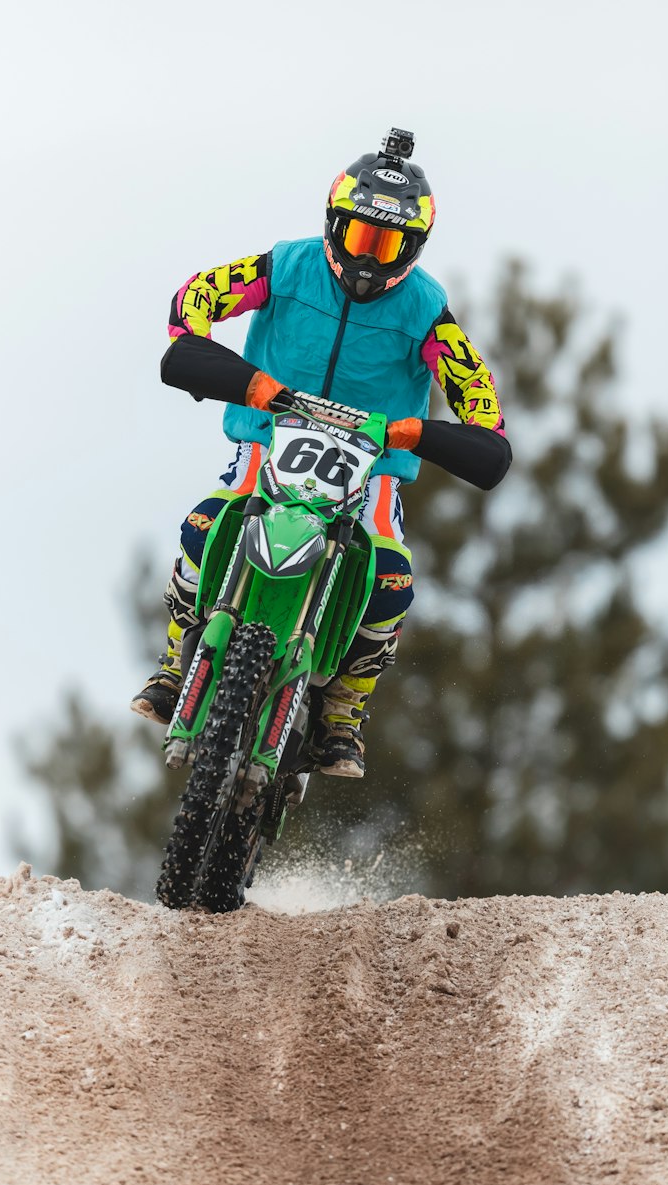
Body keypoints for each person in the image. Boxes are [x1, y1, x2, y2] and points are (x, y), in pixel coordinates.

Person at [132, 128, 512, 777]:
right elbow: (197, 296)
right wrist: (214, 358)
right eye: (361, 237)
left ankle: (341, 712)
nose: (370, 258)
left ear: (413, 247)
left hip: (374, 466)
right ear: (336, 224)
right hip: (271, 436)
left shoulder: (427, 311)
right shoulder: (285, 266)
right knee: (204, 524)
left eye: (387, 243)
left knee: (391, 577)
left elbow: (479, 399)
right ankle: (176, 662)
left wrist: (425, 432)